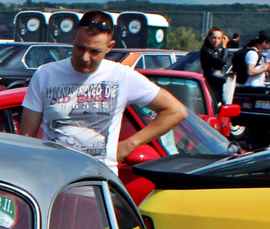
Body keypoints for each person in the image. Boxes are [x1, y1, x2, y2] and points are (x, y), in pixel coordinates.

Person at [18, 11, 187, 173]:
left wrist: (128, 146)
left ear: (109, 47)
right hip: (55, 180)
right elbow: (26, 139)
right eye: (80, 48)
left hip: (98, 183)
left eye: (94, 52)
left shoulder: (121, 76)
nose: (85, 57)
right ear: (73, 36)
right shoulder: (45, 74)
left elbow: (175, 111)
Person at [199, 28, 228, 105]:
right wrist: (225, 47)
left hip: (217, 83)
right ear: (209, 38)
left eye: (219, 38)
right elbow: (222, 62)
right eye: (214, 38)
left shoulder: (215, 50)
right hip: (211, 83)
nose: (216, 40)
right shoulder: (206, 50)